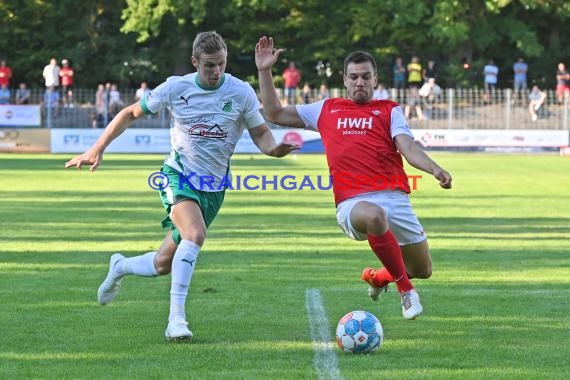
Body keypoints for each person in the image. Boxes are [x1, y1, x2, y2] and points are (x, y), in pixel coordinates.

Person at [65, 31, 298, 341]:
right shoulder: (176, 88)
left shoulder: (240, 92)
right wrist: (98, 147)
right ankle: (176, 320)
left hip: (213, 189)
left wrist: (275, 150)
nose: (216, 72)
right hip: (177, 174)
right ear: (194, 62)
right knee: (195, 234)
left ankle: (120, 266)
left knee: (163, 264)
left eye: (221, 65)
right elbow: (129, 113)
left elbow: (262, 136)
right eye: (209, 66)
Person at [255, 36, 452, 320]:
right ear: (344, 79)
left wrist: (435, 169)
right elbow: (274, 113)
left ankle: (378, 278)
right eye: (354, 77)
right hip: (353, 203)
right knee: (374, 216)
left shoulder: (389, 110)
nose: (360, 82)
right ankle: (406, 292)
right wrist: (264, 70)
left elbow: (408, 148)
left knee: (423, 269)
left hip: (395, 198)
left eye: (366, 77)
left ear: (376, 79)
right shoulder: (325, 109)